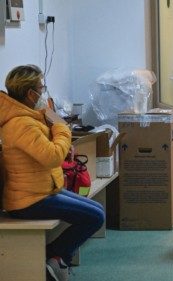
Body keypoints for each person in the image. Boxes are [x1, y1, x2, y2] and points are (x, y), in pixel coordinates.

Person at [0, 65, 105, 280]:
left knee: (96, 209)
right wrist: (61, 129)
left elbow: (48, 152)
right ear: (31, 94)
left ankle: (55, 259)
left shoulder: (30, 117)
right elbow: (52, 156)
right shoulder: (21, 124)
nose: (44, 92)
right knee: (95, 216)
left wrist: (60, 139)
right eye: (42, 87)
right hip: (29, 201)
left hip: (41, 190)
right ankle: (55, 257)